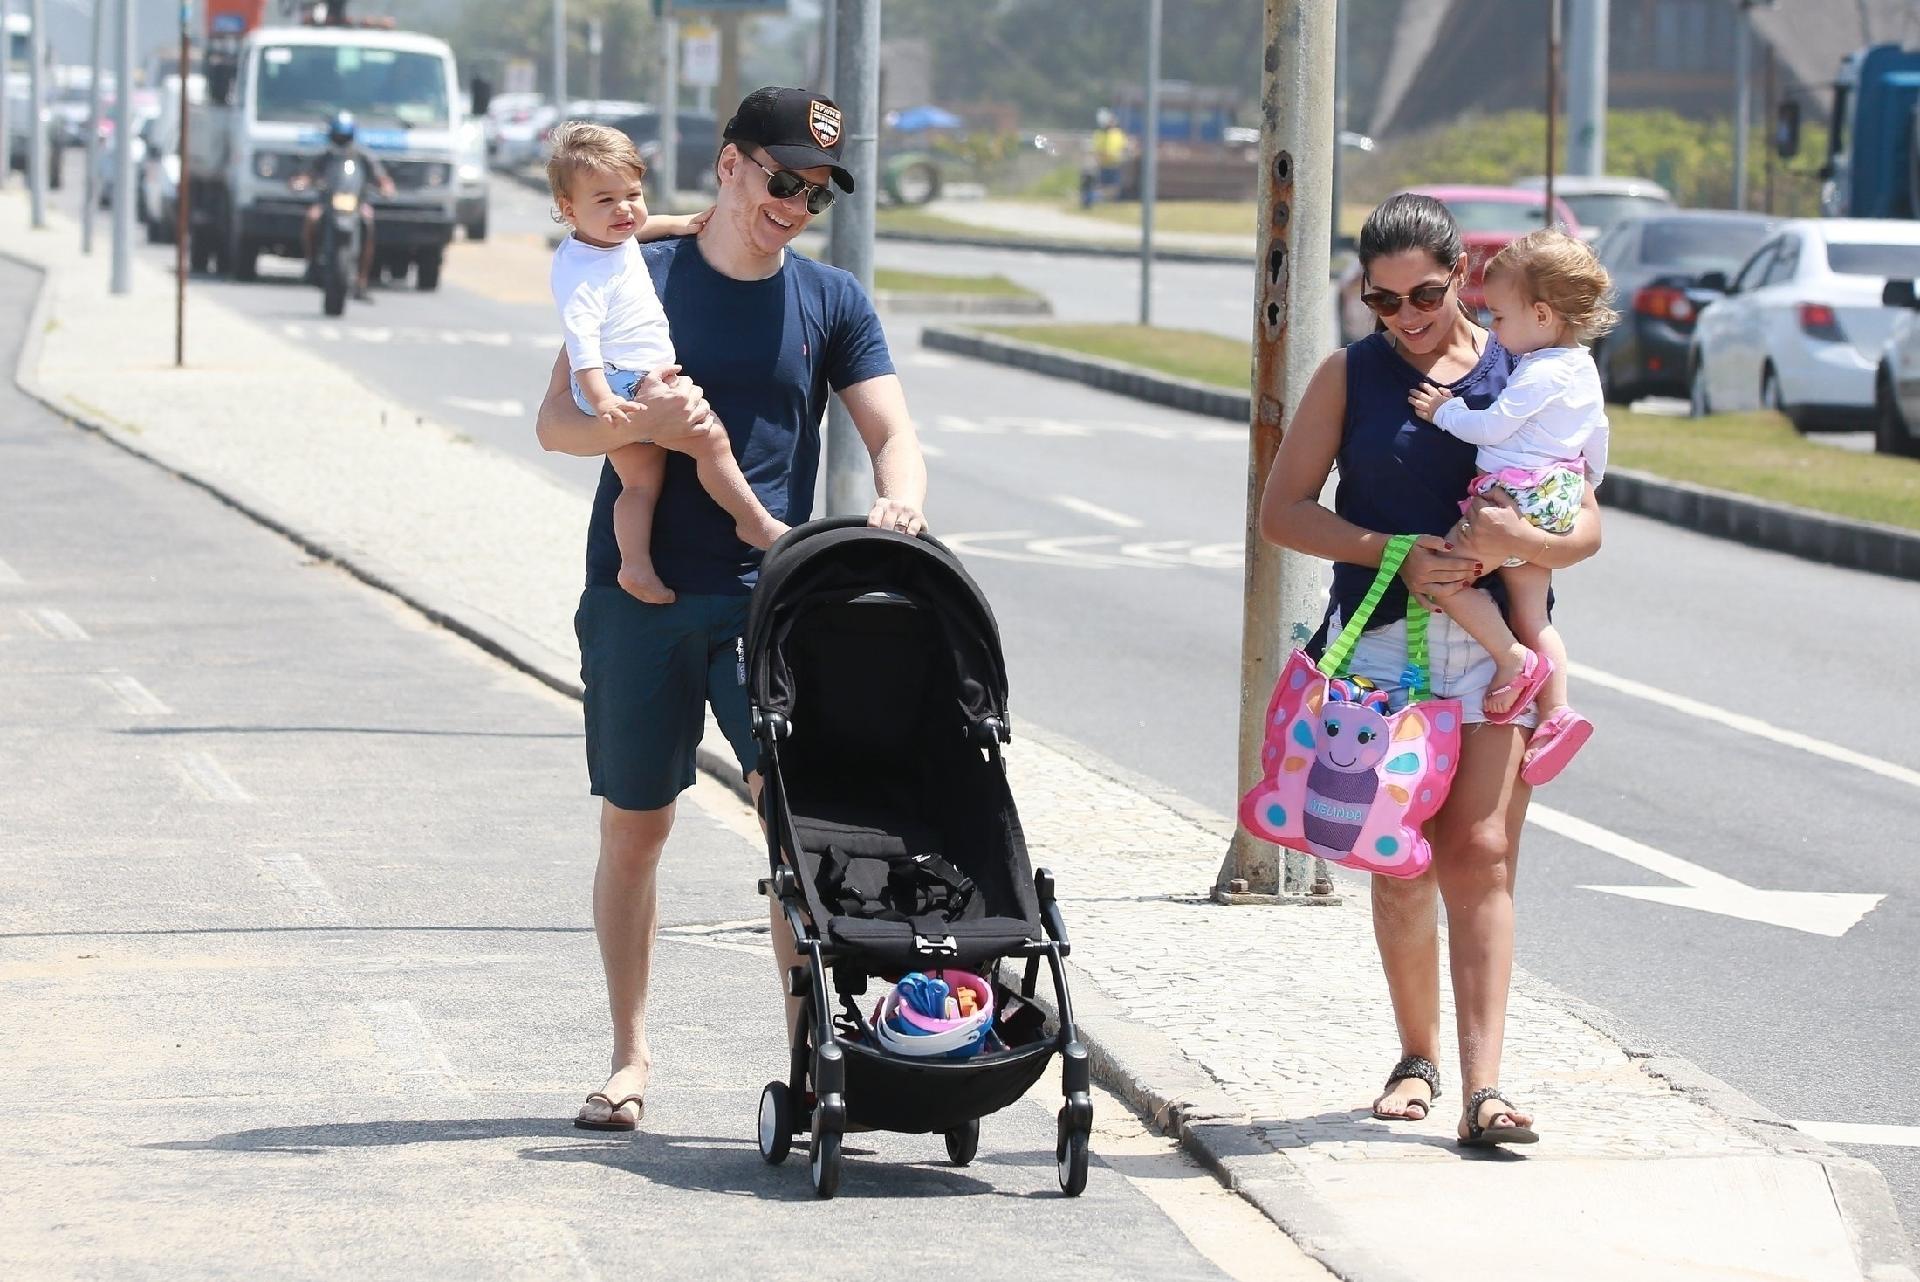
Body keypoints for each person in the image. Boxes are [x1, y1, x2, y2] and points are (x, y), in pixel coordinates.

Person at [534, 86, 929, 1133]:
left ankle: (813, 1061)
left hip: (772, 605)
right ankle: (628, 1056)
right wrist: (641, 417)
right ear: (730, 165)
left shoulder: (832, 301)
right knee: (637, 827)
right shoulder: (639, 271)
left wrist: (902, 498)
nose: (795, 202)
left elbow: (894, 432)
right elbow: (555, 426)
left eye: (815, 190)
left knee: (799, 830)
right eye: (781, 178)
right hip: (639, 600)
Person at [1258, 192, 1603, 1148]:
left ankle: (1485, 1090)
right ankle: (1417, 1056)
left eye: (1426, 295)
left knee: (1481, 855)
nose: (1407, 319)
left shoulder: (1527, 364)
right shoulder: (1351, 376)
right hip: (1379, 654)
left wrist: (1513, 538)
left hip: (1499, 656)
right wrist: (1392, 550)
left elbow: (1586, 526)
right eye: (1382, 301)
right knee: (1400, 863)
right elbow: (1283, 513)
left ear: (1464, 277)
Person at [544, 121, 787, 605]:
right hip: (623, 381)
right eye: (605, 200)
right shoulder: (581, 275)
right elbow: (581, 344)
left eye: (632, 194)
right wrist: (603, 400)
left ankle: (634, 566)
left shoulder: (605, 238)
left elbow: (638, 229)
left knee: (639, 482)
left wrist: (677, 223)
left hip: (624, 381)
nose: (624, 211)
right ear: (569, 210)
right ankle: (755, 522)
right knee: (708, 436)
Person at [1407, 229, 1612, 786]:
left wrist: (1444, 412)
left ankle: (1512, 662)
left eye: (1499, 316)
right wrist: (1585, 478)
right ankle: (1557, 711)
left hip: (1511, 495)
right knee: (1533, 613)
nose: (1493, 329)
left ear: (1542, 314)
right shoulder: (1584, 367)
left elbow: (1493, 425)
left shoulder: (1540, 369)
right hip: (1557, 495)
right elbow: (1598, 435)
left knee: (1439, 581)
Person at [291, 111, 394, 301]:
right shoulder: (326, 156)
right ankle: (312, 263)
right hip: (328, 203)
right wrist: (301, 182)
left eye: (344, 137)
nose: (341, 141)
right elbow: (308, 174)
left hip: (356, 203)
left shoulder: (363, 156)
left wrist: (386, 188)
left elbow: (382, 178)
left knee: (368, 223)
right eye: (338, 136)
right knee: (312, 218)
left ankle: (362, 280)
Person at [1086, 109, 1129, 208]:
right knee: (1103, 186)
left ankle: (1105, 201)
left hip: (1116, 164)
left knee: (1114, 188)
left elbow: (1125, 147)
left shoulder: (1118, 133)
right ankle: (1095, 199)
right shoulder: (1099, 134)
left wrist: (1125, 153)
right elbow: (1096, 150)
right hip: (1103, 165)